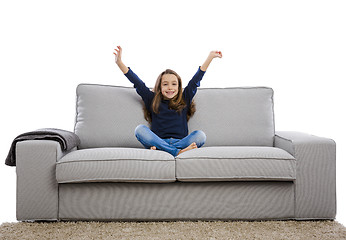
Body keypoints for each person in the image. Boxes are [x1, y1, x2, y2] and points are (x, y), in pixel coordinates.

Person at [113, 46, 222, 156]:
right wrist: (119, 63)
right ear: (160, 87)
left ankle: (164, 151)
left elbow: (195, 80)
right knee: (139, 130)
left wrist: (210, 57)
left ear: (179, 86)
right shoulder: (152, 99)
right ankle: (177, 152)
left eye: (174, 84)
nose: (170, 88)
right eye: (165, 84)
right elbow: (137, 83)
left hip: (181, 142)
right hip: (159, 141)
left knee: (200, 135)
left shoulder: (185, 98)